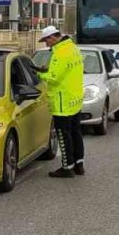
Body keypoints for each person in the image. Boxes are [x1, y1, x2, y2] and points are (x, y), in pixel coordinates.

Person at [36, 25, 86, 178]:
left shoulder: (60, 53)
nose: (46, 44)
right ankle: (79, 165)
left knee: (63, 135)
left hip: (62, 101)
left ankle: (67, 167)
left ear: (52, 37)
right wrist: (48, 70)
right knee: (76, 132)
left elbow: (53, 78)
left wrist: (38, 74)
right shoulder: (73, 48)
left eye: (46, 41)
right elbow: (66, 71)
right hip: (74, 99)